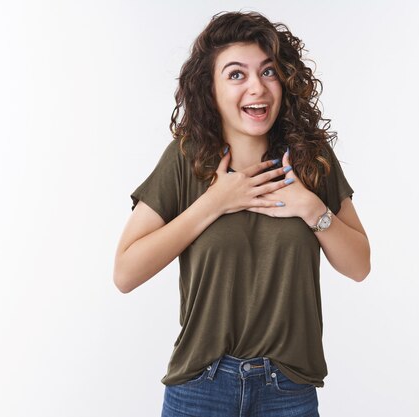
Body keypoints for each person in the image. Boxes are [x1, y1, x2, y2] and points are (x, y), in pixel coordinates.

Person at [113, 10, 370, 417]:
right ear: (209, 89)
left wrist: (312, 209)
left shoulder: (309, 158)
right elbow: (125, 273)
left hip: (288, 389)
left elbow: (359, 266)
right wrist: (215, 203)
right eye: (236, 74)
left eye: (268, 72)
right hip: (201, 386)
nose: (257, 87)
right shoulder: (187, 159)